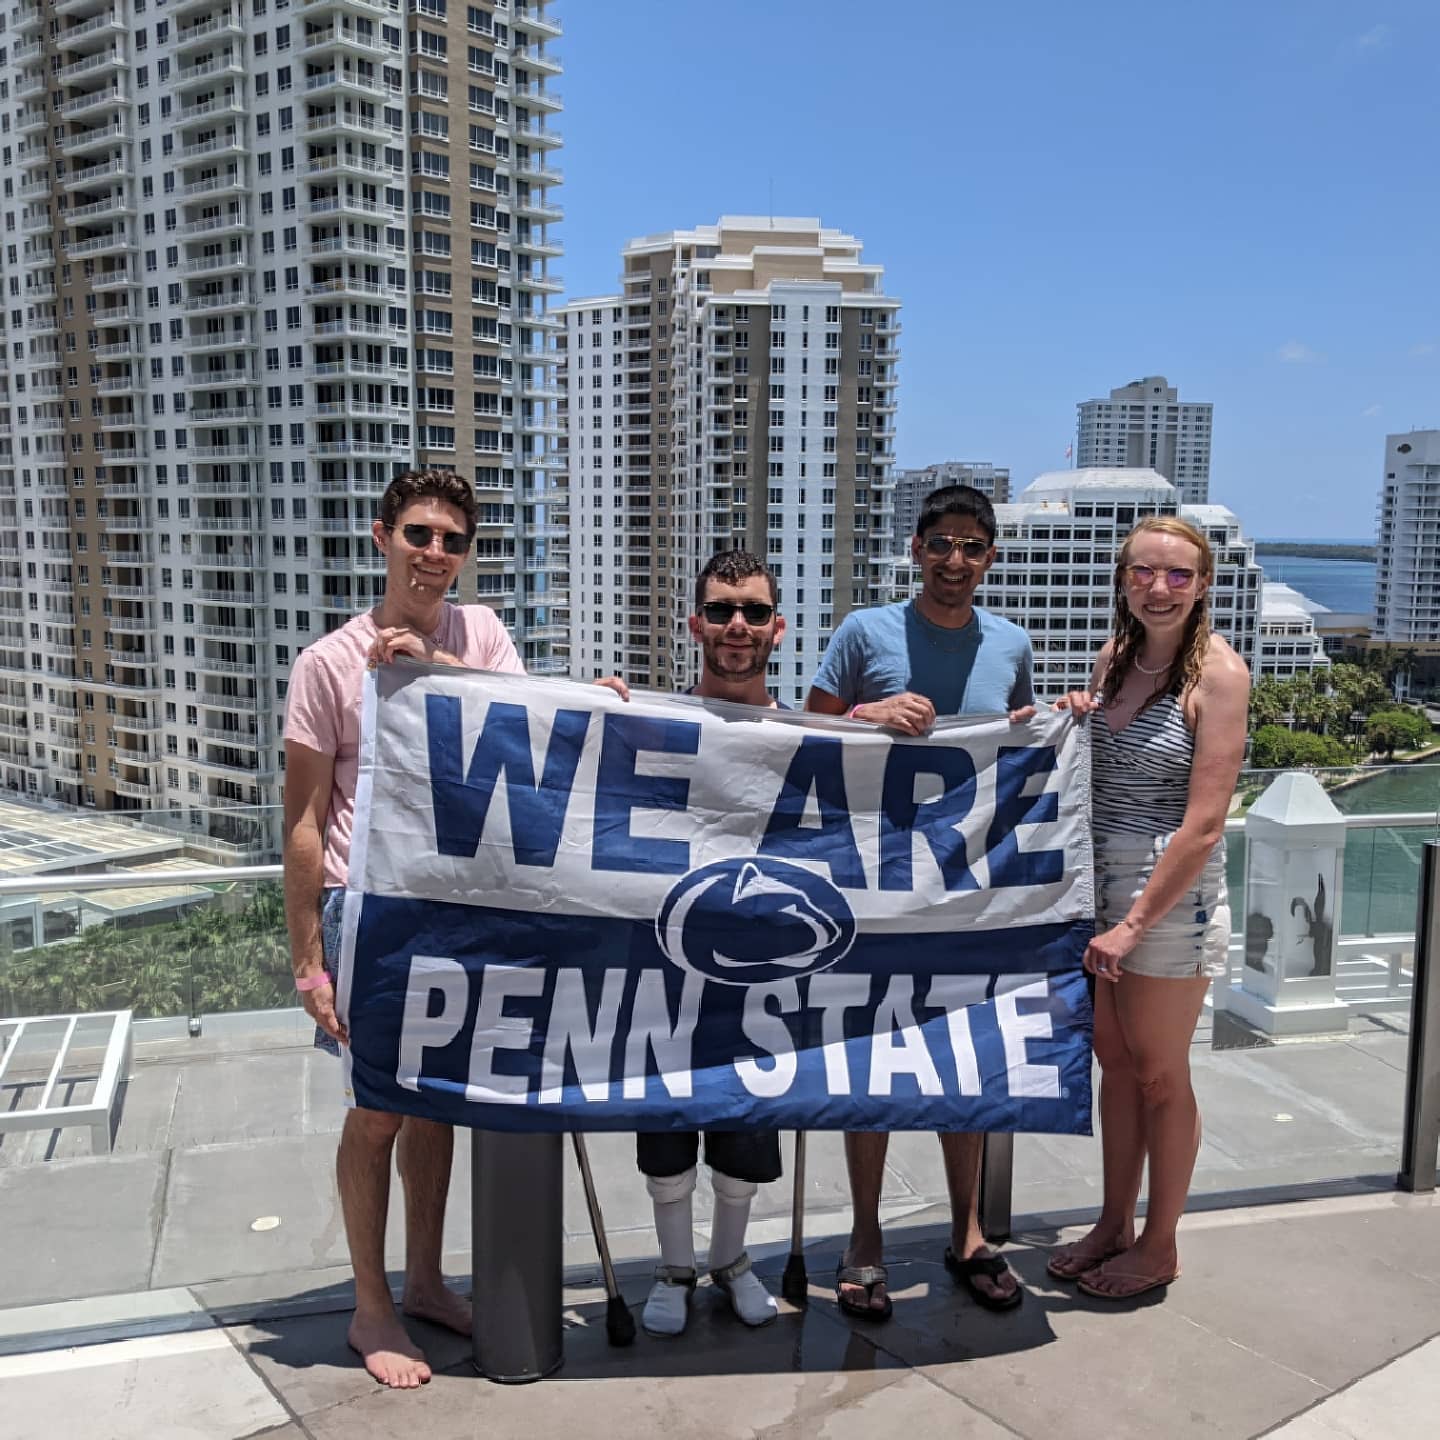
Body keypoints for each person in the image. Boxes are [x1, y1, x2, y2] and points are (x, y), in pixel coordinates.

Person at [283, 470, 628, 1387]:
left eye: (452, 541)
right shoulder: (327, 663)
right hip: (369, 908)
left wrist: (443, 671)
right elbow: (304, 824)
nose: (435, 553)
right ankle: (371, 1306)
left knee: (434, 1100)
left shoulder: (481, 633)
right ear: (383, 537)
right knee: (377, 1111)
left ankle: (427, 1281)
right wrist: (308, 960)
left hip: (458, 907)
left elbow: (522, 719)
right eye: (419, 534)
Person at [806, 484, 1035, 1321]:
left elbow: (1025, 745)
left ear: (990, 558)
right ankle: (864, 1238)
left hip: (969, 892)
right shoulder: (863, 632)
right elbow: (807, 732)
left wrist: (1065, 718)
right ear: (916, 549)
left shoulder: (1011, 642)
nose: (955, 560)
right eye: (941, 543)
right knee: (871, 1065)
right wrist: (868, 711)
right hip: (875, 886)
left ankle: (968, 1234)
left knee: (965, 1061)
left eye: (972, 546)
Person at [1045, 516, 1248, 1300]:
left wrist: (1134, 925)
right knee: (1116, 1062)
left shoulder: (1220, 676)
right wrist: (1074, 713)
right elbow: (1093, 769)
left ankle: (1160, 1243)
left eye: (1178, 575)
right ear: (1122, 579)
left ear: (1203, 585)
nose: (1159, 589)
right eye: (1143, 572)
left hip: (1169, 896)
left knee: (1161, 1073)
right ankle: (1112, 1223)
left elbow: (1205, 824)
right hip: (1099, 883)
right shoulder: (1114, 659)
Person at [638, 549, 789, 1337]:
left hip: (760, 969)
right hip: (666, 962)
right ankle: (674, 1265)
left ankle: (730, 1260)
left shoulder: (810, 733)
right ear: (695, 624)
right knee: (665, 1124)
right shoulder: (654, 721)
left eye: (754, 612)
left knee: (747, 1125)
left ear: (778, 629)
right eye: (723, 610)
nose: (738, 625)